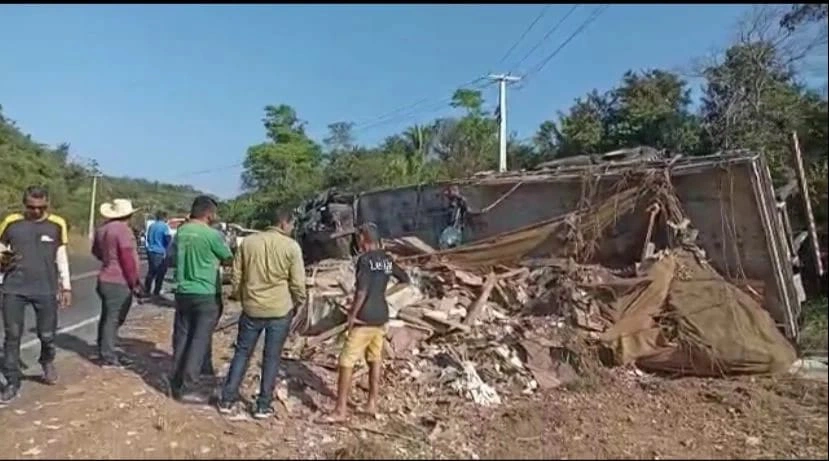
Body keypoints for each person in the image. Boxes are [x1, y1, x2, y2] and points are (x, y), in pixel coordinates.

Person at [217, 208, 306, 419]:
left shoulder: (248, 243)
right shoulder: (291, 247)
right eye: (292, 225)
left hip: (252, 309)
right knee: (271, 357)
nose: (292, 229)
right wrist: (298, 302)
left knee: (242, 353)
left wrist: (240, 297)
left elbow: (237, 276)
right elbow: (298, 283)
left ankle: (227, 399)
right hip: (280, 310)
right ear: (284, 223)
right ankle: (263, 405)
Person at [323, 222, 409, 423]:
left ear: (364, 238)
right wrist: (384, 294)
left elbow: (361, 291)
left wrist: (352, 315)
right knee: (374, 359)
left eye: (359, 238)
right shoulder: (387, 260)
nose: (358, 242)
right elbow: (405, 279)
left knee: (346, 362)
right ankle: (372, 403)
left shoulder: (365, 260)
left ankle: (340, 410)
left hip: (364, 318)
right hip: (381, 317)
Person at [0, 186, 72, 402]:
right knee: (12, 335)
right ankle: (12, 381)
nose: (36, 211)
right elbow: (1, 246)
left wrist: (66, 286)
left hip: (45, 288)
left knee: (47, 334)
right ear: (24, 204)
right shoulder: (11, 222)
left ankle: (46, 360)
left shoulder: (57, 225)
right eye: (31, 207)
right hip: (14, 287)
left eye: (40, 208)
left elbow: (61, 256)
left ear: (47, 205)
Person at [168, 196, 233, 403]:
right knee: (199, 340)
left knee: (182, 336)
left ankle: (176, 381)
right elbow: (228, 257)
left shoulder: (181, 232)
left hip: (182, 291)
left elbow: (171, 258)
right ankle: (189, 386)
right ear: (209, 214)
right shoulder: (212, 235)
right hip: (205, 292)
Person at [92, 199, 143, 368]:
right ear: (128, 215)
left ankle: (104, 348)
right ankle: (107, 354)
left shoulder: (102, 230)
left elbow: (96, 252)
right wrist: (134, 281)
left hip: (105, 277)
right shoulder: (124, 231)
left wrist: (108, 260)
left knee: (108, 316)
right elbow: (127, 258)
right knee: (114, 318)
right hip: (118, 280)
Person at [144, 211, 172, 298]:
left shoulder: (152, 226)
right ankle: (156, 291)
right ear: (164, 217)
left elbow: (147, 237)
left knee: (151, 271)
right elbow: (167, 237)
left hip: (150, 250)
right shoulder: (164, 226)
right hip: (160, 251)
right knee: (160, 273)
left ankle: (147, 289)